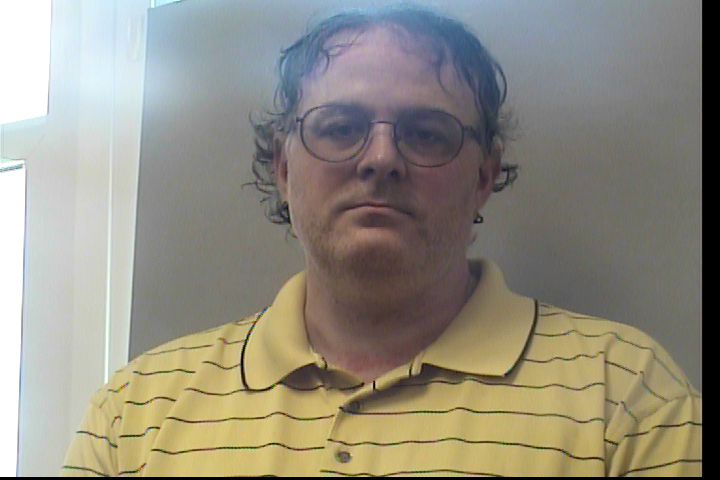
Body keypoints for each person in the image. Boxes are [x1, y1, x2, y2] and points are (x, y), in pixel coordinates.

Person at [62, 5, 701, 477]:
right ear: (283, 167)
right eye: (340, 127)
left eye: (426, 133)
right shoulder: (135, 416)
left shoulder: (628, 399)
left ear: (483, 176)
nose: (380, 159)